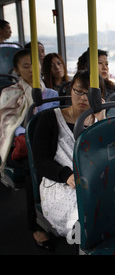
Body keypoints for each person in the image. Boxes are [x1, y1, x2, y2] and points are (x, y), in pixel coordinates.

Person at [32, 70, 105, 238]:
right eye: (79, 91)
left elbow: (108, 157)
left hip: (95, 181)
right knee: (87, 215)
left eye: (89, 94)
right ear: (70, 90)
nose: (83, 98)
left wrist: (101, 122)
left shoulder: (100, 122)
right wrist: (66, 175)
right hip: (61, 183)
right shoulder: (49, 118)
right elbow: (41, 160)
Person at [0, 48, 59, 250]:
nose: (32, 69)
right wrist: (23, 134)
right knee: (32, 171)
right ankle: (36, 225)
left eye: (35, 64)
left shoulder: (51, 94)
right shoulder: (9, 93)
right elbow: (6, 123)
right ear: (16, 69)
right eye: (26, 66)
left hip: (47, 146)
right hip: (20, 148)